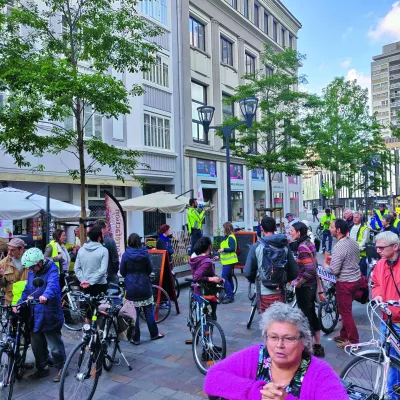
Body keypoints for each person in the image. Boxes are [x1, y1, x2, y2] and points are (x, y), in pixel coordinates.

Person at [204, 302, 348, 400]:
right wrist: (257, 393)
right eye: (273, 337)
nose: (279, 344)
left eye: (289, 338)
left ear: (304, 341)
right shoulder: (255, 356)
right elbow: (212, 378)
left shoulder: (320, 373)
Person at [18, 247, 66, 382]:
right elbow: (27, 289)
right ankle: (42, 368)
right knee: (36, 345)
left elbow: (53, 285)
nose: (31, 270)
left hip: (49, 312)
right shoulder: (32, 272)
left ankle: (62, 367)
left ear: (40, 262)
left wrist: (45, 295)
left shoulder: (52, 269)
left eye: (33, 267)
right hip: (35, 313)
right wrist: (19, 303)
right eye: (30, 268)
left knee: (54, 344)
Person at [244, 216, 298, 312]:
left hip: (263, 292)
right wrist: (284, 280)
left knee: (267, 322)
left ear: (261, 228)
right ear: (275, 228)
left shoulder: (256, 247)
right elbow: (294, 271)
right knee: (280, 320)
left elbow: (247, 272)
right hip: (280, 291)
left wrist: (255, 280)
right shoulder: (285, 246)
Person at [120, 233, 164, 345]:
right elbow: (150, 269)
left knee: (134, 313)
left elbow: (122, 272)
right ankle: (154, 334)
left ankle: (136, 338)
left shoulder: (126, 255)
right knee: (149, 310)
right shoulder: (145, 254)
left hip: (131, 287)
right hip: (144, 285)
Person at [371, 231, 400, 399]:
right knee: (388, 361)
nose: (378, 250)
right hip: (386, 320)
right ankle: (391, 394)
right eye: (376, 247)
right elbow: (375, 283)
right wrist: (378, 295)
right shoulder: (381, 264)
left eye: (381, 247)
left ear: (395, 247)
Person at [289, 222, 324, 357]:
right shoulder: (309, 243)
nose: (290, 232)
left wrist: (299, 282)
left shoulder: (302, 247)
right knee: (311, 314)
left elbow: (309, 269)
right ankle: (317, 345)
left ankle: (309, 347)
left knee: (306, 316)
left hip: (306, 287)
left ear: (299, 233)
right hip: (312, 285)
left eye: (292, 230)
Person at [324, 219, 361, 348]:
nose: (329, 229)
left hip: (345, 282)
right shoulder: (352, 242)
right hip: (355, 279)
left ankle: (353, 340)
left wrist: (325, 266)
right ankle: (344, 335)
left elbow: (333, 270)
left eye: (332, 227)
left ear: (338, 230)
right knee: (345, 309)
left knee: (345, 312)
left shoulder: (339, 247)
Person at [189, 236, 222, 321]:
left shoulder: (194, 257)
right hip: (207, 292)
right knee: (209, 317)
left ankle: (197, 329)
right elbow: (196, 277)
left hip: (196, 290)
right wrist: (212, 279)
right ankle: (206, 333)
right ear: (209, 246)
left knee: (201, 315)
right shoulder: (207, 262)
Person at [74, 226, 109, 297]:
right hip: (100, 284)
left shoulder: (81, 250)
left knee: (86, 307)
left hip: (84, 285)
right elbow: (103, 270)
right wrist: (90, 282)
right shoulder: (104, 250)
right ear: (99, 237)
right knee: (101, 307)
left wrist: (83, 280)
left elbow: (76, 268)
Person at [215, 222, 238, 304]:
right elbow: (224, 250)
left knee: (224, 278)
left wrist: (223, 249)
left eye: (223, 228)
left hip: (229, 261)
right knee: (228, 277)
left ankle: (230, 296)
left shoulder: (231, 237)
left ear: (226, 229)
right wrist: (219, 256)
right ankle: (230, 292)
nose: (223, 230)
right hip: (226, 261)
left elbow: (232, 248)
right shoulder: (226, 237)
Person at [0, 238, 28, 305]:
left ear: (21, 250)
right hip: (10, 301)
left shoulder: (30, 260)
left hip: (27, 301)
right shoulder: (3, 264)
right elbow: (2, 285)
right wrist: (0, 277)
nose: (9, 252)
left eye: (12, 250)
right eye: (8, 249)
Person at [93, 219, 120, 285]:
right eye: (107, 227)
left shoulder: (90, 242)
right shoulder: (110, 241)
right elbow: (115, 259)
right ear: (103, 229)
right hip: (109, 275)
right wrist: (114, 272)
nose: (108, 229)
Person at [348, 212, 370, 277]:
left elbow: (364, 241)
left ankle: (364, 287)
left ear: (360, 218)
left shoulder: (365, 228)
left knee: (362, 274)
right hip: (352, 255)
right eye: (353, 217)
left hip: (361, 256)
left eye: (356, 217)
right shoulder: (351, 226)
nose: (354, 219)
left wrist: (354, 249)